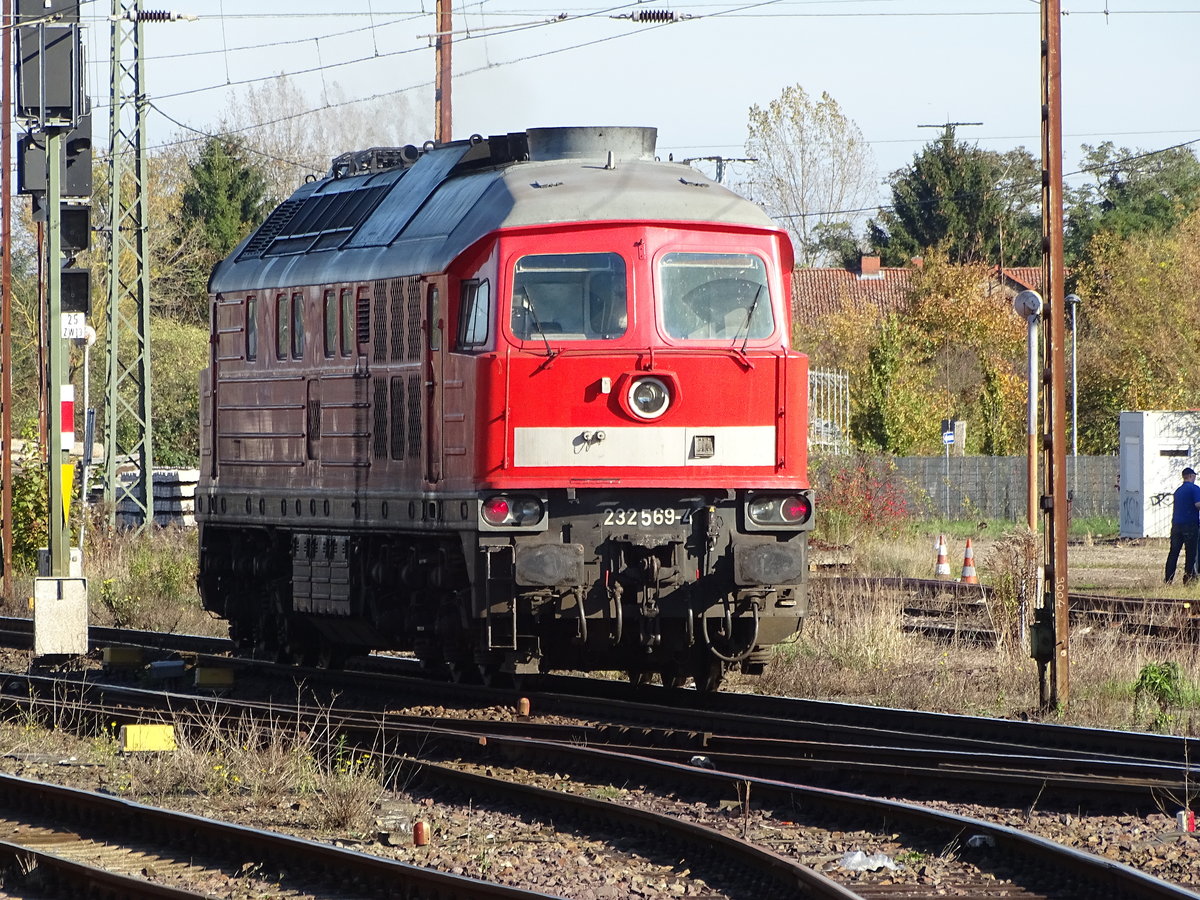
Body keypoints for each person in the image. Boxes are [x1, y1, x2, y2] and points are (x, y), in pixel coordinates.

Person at [1164, 467, 1200, 584]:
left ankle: (1168, 580)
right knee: (1190, 553)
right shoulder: (1195, 489)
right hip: (1190, 525)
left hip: (1176, 525)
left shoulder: (1178, 491)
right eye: (1194, 476)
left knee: (1173, 553)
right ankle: (1188, 580)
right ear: (1191, 476)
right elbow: (1197, 504)